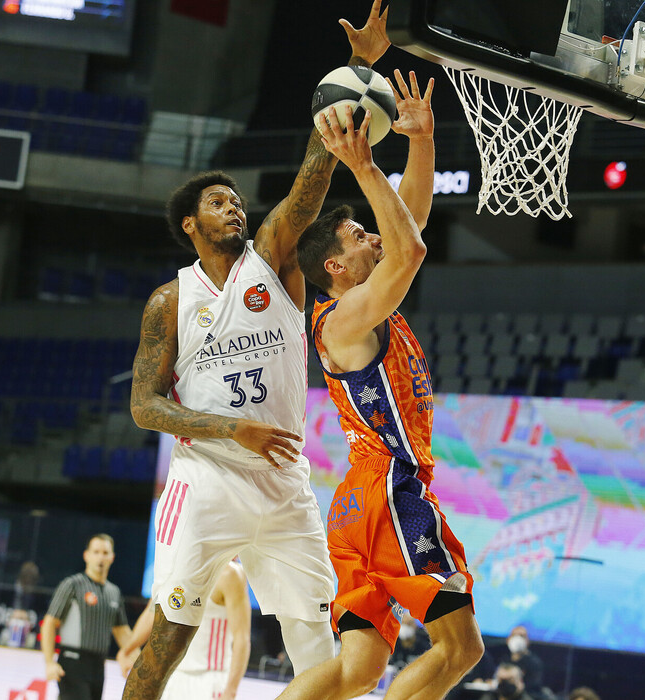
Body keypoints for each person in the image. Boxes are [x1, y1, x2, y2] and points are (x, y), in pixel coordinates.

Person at [122, 5, 391, 699]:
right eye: (218, 201)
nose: (234, 206)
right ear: (191, 224)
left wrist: (359, 73)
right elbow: (144, 408)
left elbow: (311, 178)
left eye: (236, 198)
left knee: (315, 640)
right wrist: (227, 428)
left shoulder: (271, 257)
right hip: (208, 477)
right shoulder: (169, 302)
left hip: (282, 482)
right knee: (167, 645)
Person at [274, 67, 485, 700]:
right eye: (358, 234)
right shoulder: (344, 319)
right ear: (335, 266)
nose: (374, 236)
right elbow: (411, 249)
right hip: (391, 494)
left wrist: (420, 141)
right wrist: (363, 166)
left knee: (357, 671)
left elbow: (407, 231)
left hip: (361, 503)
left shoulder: (363, 305)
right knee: (462, 647)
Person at [117, 561, 251, 700]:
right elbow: (152, 612)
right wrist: (126, 650)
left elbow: (242, 638)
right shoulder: (173, 565)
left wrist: (231, 691)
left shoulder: (229, 573)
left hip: (208, 679)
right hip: (171, 676)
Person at [41, 534, 133, 700]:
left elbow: (122, 632)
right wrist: (49, 662)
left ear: (112, 557)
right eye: (96, 552)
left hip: (98, 666)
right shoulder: (72, 585)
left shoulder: (114, 593)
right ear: (86, 555)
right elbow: (49, 623)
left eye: (105, 553)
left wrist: (139, 661)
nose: (101, 557)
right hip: (72, 662)